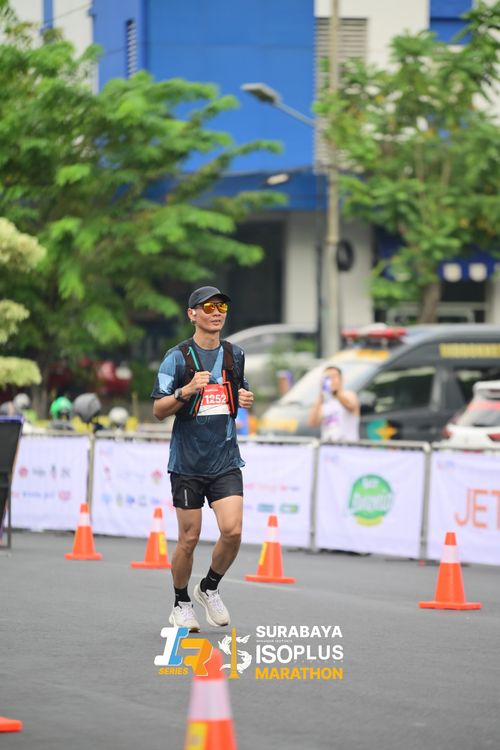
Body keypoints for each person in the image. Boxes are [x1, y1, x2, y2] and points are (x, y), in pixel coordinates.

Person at [151, 286, 254, 632]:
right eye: (208, 307)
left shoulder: (235, 355)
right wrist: (186, 390)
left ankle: (209, 587)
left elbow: (236, 393)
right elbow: (158, 410)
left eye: (222, 306)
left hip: (225, 460)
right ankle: (181, 602)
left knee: (233, 531)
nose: (216, 312)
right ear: (192, 314)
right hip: (187, 464)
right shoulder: (177, 358)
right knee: (189, 538)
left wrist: (245, 397)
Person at [308, 365, 360, 441]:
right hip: (329, 446)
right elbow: (312, 423)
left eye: (333, 377)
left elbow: (350, 406)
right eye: (327, 378)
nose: (330, 380)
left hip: (348, 446)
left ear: (341, 379)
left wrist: (336, 393)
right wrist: (321, 396)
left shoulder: (350, 395)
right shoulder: (324, 403)